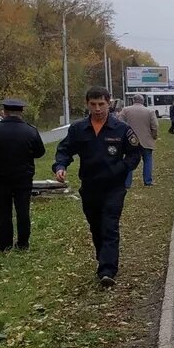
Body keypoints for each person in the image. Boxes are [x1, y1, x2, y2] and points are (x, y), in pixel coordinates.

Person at [52, 86, 142, 287]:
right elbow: (65, 150)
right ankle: (102, 257)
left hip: (114, 187)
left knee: (110, 225)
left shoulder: (121, 129)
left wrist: (122, 169)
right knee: (96, 226)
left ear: (109, 103)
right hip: (90, 186)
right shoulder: (78, 129)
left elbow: (135, 153)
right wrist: (60, 166)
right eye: (93, 104)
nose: (98, 109)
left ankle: (108, 269)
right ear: (87, 104)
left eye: (101, 104)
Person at [0, 98, 46, 252]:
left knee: (3, 211)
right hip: (23, 177)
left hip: (1, 177)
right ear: (21, 112)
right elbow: (40, 152)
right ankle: (23, 243)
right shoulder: (30, 130)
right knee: (23, 210)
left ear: (4, 112)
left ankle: (4, 244)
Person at [118, 94, 159, 187]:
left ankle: (127, 183)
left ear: (133, 101)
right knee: (148, 160)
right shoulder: (150, 111)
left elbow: (119, 122)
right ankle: (147, 181)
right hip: (146, 140)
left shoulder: (126, 110)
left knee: (129, 161)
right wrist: (154, 136)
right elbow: (155, 126)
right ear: (143, 101)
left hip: (131, 141)